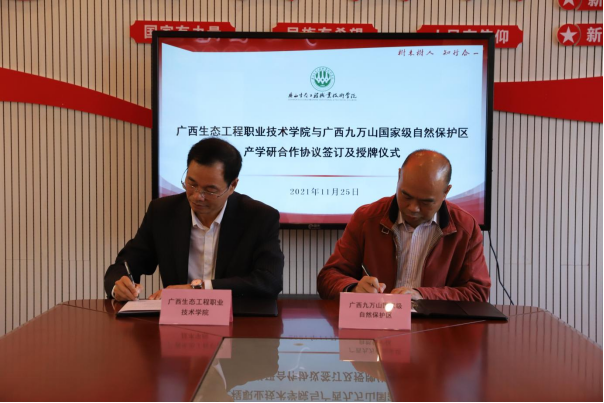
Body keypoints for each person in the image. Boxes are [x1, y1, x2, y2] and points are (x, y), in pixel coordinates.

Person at [104, 138, 284, 301]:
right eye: (192, 184)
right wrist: (119, 286)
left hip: (239, 320)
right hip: (178, 320)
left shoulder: (259, 217)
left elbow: (269, 281)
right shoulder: (162, 212)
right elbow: (125, 265)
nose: (197, 196)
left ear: (232, 185)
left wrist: (197, 289)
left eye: (210, 190)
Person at [317, 150, 491, 301]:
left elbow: (477, 292)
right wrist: (353, 288)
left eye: (425, 202)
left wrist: (423, 295)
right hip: (376, 322)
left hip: (436, 326)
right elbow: (328, 277)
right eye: (406, 196)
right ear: (399, 176)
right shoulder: (366, 219)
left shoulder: (465, 228)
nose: (413, 208)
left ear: (446, 191)